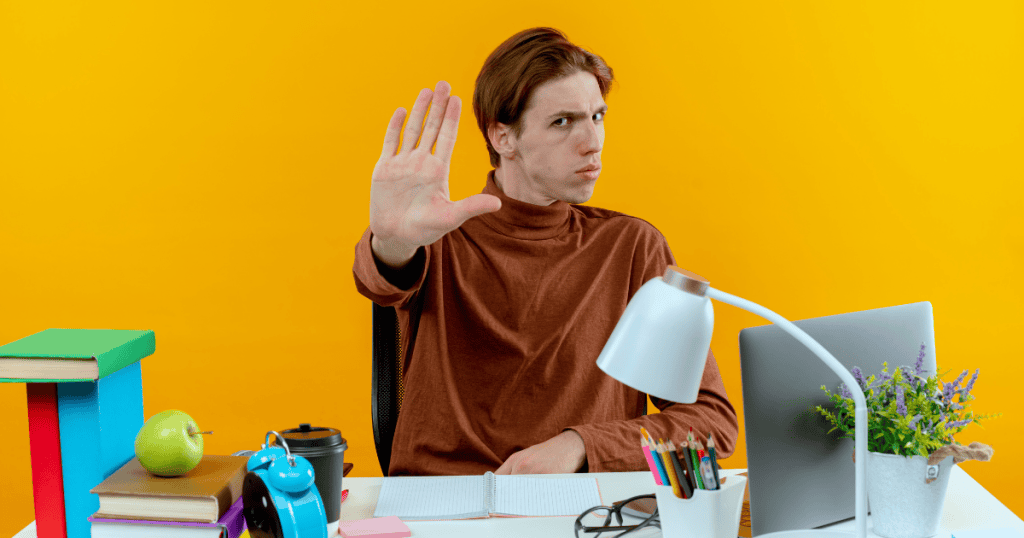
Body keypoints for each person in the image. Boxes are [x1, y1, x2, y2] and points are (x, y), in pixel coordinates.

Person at [353, 27, 738, 476]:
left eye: (597, 116)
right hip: (444, 498)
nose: (592, 142)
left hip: (584, 503)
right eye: (563, 122)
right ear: (503, 138)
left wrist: (582, 445)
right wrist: (393, 240)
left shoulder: (631, 246)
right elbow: (379, 277)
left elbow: (711, 423)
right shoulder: (437, 236)